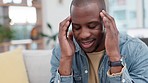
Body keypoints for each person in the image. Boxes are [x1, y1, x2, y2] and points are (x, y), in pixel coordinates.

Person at [50, 0, 148, 83]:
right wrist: (66, 59)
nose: (84, 34)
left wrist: (115, 57)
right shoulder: (61, 52)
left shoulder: (137, 51)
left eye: (92, 26)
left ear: (105, 22)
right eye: (77, 27)